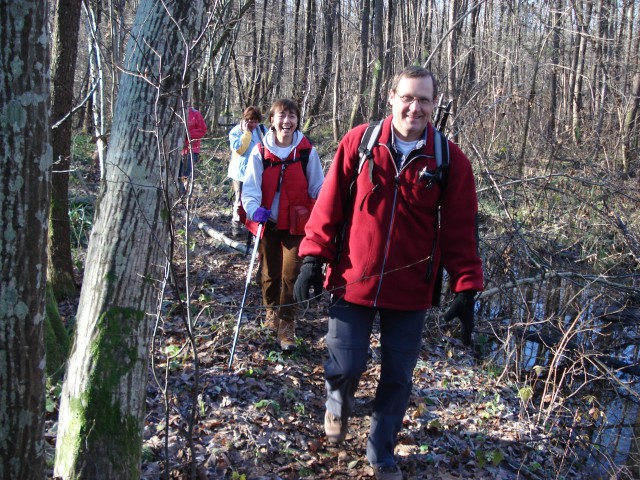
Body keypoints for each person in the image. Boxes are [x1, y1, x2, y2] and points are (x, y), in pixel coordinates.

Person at [293, 66, 483, 480]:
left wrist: (466, 287)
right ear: (392, 98)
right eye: (408, 97)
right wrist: (312, 259)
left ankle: (381, 453)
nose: (415, 107)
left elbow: (459, 231)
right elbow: (328, 207)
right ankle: (338, 407)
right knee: (346, 364)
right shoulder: (358, 143)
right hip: (352, 279)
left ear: (434, 106)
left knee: (397, 377)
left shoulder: (450, 161)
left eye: (424, 100)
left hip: (410, 290)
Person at [241, 98, 324, 351]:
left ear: (297, 120)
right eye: (281, 116)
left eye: (292, 116)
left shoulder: (306, 151)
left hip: (298, 224)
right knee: (270, 273)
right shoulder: (260, 151)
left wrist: (327, 209)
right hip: (269, 223)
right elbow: (250, 188)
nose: (286, 121)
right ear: (272, 121)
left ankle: (287, 323)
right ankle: (270, 312)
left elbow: (318, 186)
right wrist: (254, 210)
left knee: (292, 274)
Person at [228, 106, 267, 237]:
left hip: (257, 172)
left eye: (255, 121)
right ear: (245, 119)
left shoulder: (261, 130)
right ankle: (236, 225)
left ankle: (252, 226)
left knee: (255, 199)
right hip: (240, 173)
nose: (253, 124)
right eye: (250, 120)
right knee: (239, 201)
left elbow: (268, 144)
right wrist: (246, 133)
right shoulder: (235, 132)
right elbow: (240, 149)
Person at [178, 105, 207, 193]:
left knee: (186, 173)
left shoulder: (195, 114)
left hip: (191, 149)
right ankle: (177, 192)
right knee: (177, 172)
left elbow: (202, 130)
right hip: (177, 150)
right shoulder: (175, 111)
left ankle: (182, 193)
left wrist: (187, 135)